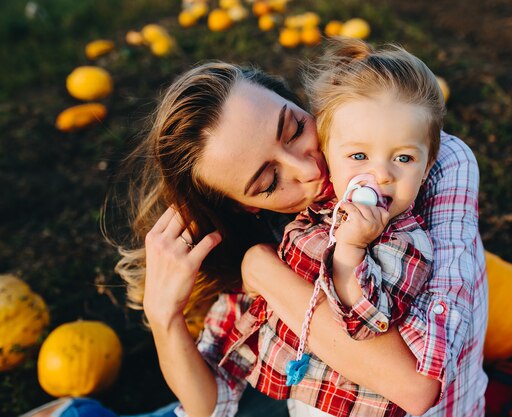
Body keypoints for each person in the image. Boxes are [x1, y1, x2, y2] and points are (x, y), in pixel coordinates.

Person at [24, 40, 487, 417]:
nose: (307, 170)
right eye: (269, 182)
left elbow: (416, 387)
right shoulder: (282, 233)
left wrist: (263, 271)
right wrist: (164, 318)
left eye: (292, 129)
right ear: (245, 206)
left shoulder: (431, 158)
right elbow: (208, 405)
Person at [210, 38, 443, 417]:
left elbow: (364, 321)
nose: (380, 174)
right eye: (358, 156)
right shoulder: (321, 212)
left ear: (428, 164)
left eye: (403, 158)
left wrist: (351, 250)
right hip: (307, 396)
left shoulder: (403, 242)